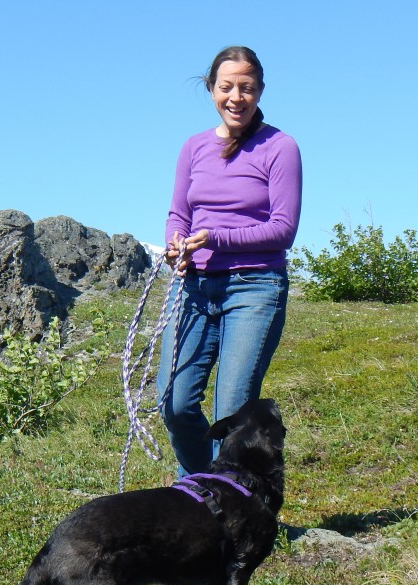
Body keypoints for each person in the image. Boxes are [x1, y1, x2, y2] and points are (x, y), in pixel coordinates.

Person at [157, 45, 302, 478]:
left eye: (246, 87)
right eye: (227, 87)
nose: (236, 97)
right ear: (212, 90)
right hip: (195, 288)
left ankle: (231, 512)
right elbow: (178, 213)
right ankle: (201, 491)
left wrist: (215, 238)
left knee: (232, 417)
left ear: (259, 91)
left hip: (255, 287)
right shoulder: (193, 147)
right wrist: (174, 245)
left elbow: (283, 229)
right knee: (174, 402)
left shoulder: (281, 147)